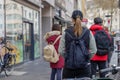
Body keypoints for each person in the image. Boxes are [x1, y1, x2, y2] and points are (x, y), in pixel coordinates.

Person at [58, 10, 97, 80]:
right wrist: (86, 58)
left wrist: (68, 58)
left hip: (69, 68)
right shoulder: (88, 32)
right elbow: (94, 50)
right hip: (84, 68)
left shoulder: (66, 32)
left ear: (72, 19)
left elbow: (60, 50)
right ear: (82, 19)